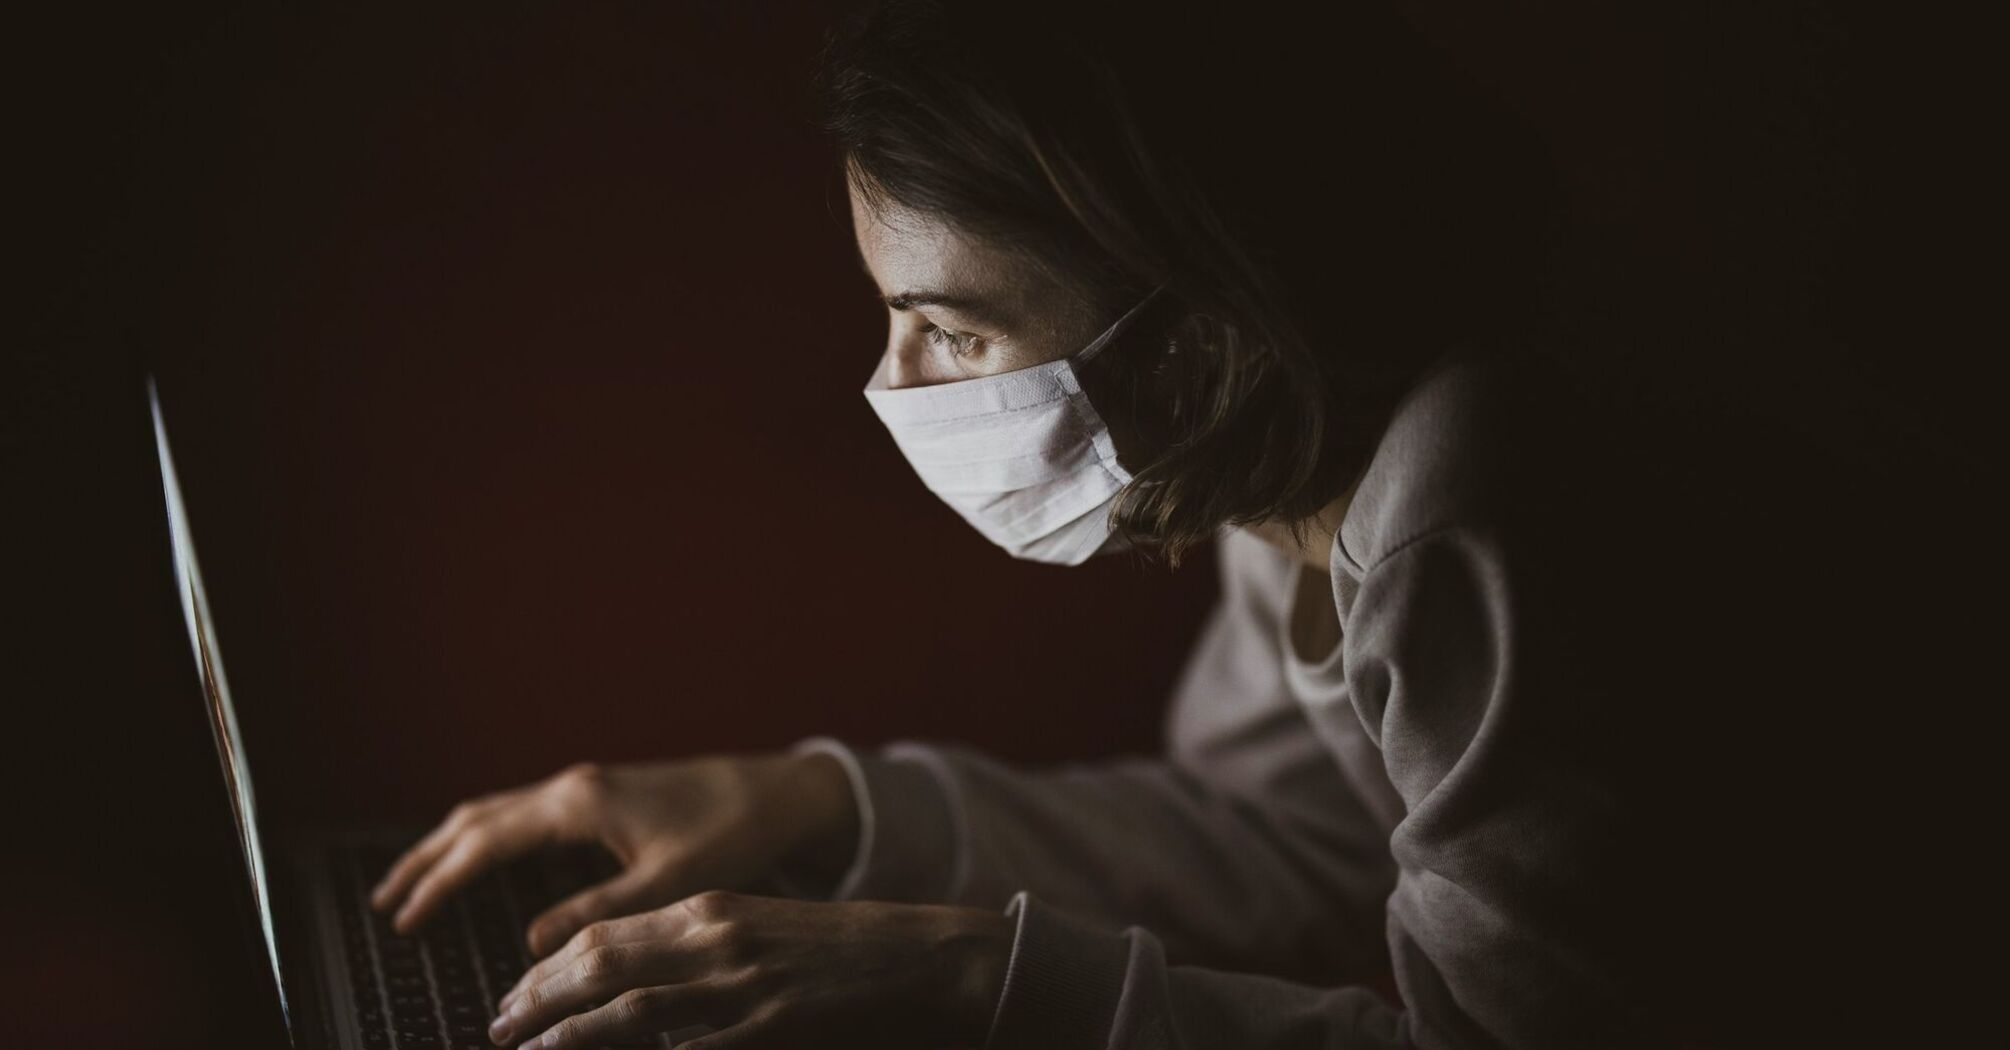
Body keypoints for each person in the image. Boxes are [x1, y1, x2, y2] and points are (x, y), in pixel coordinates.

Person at [371, 1, 1880, 1047]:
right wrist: (814, 802)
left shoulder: (1472, 507)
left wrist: (969, 982)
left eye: (946, 331)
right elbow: (1289, 837)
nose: (888, 383)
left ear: (1198, 325)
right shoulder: (1279, 442)